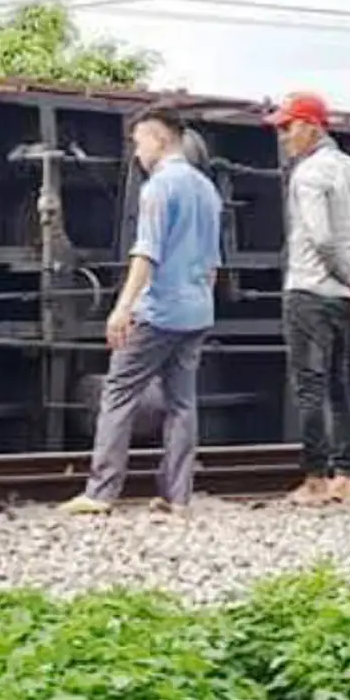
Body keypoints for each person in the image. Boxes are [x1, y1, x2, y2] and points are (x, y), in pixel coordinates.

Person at [62, 106, 223, 515]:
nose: (136, 152)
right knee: (182, 404)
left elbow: (147, 253)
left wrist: (122, 308)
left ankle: (101, 493)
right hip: (197, 311)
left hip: (159, 311)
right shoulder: (207, 189)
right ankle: (177, 496)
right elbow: (213, 264)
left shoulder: (158, 188)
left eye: (138, 142)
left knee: (118, 394)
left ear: (158, 138)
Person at [264, 91, 350, 506]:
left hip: (310, 291)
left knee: (309, 388)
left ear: (311, 126)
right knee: (339, 385)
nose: (283, 136)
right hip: (343, 299)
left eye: (288, 126)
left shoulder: (309, 174)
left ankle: (315, 480)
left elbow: (321, 238)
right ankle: (347, 477)